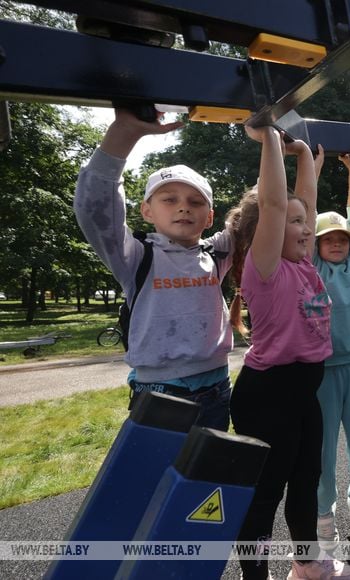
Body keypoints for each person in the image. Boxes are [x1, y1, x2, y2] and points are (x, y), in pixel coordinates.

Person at [226, 127, 350, 580]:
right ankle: (254, 575)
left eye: (306, 221)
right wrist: (270, 142)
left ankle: (306, 565)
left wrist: (301, 153)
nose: (307, 228)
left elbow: (303, 203)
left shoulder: (302, 264)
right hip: (268, 397)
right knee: (266, 491)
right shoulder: (264, 271)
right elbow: (276, 205)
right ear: (268, 229)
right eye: (296, 223)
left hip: (303, 397)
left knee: (305, 482)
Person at [73, 108, 233, 430]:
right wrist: (123, 134)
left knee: (206, 479)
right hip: (159, 391)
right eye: (169, 199)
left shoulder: (217, 251)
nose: (184, 206)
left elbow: (262, 214)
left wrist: (271, 140)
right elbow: (95, 211)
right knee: (155, 478)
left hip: (217, 387)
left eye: (196, 201)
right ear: (147, 210)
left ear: (210, 216)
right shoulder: (135, 255)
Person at [311, 148, 350, 550]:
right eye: (327, 239)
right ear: (314, 246)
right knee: (322, 451)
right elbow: (301, 211)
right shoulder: (310, 269)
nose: (336, 243)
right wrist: (312, 167)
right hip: (320, 371)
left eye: (341, 239)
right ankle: (322, 515)